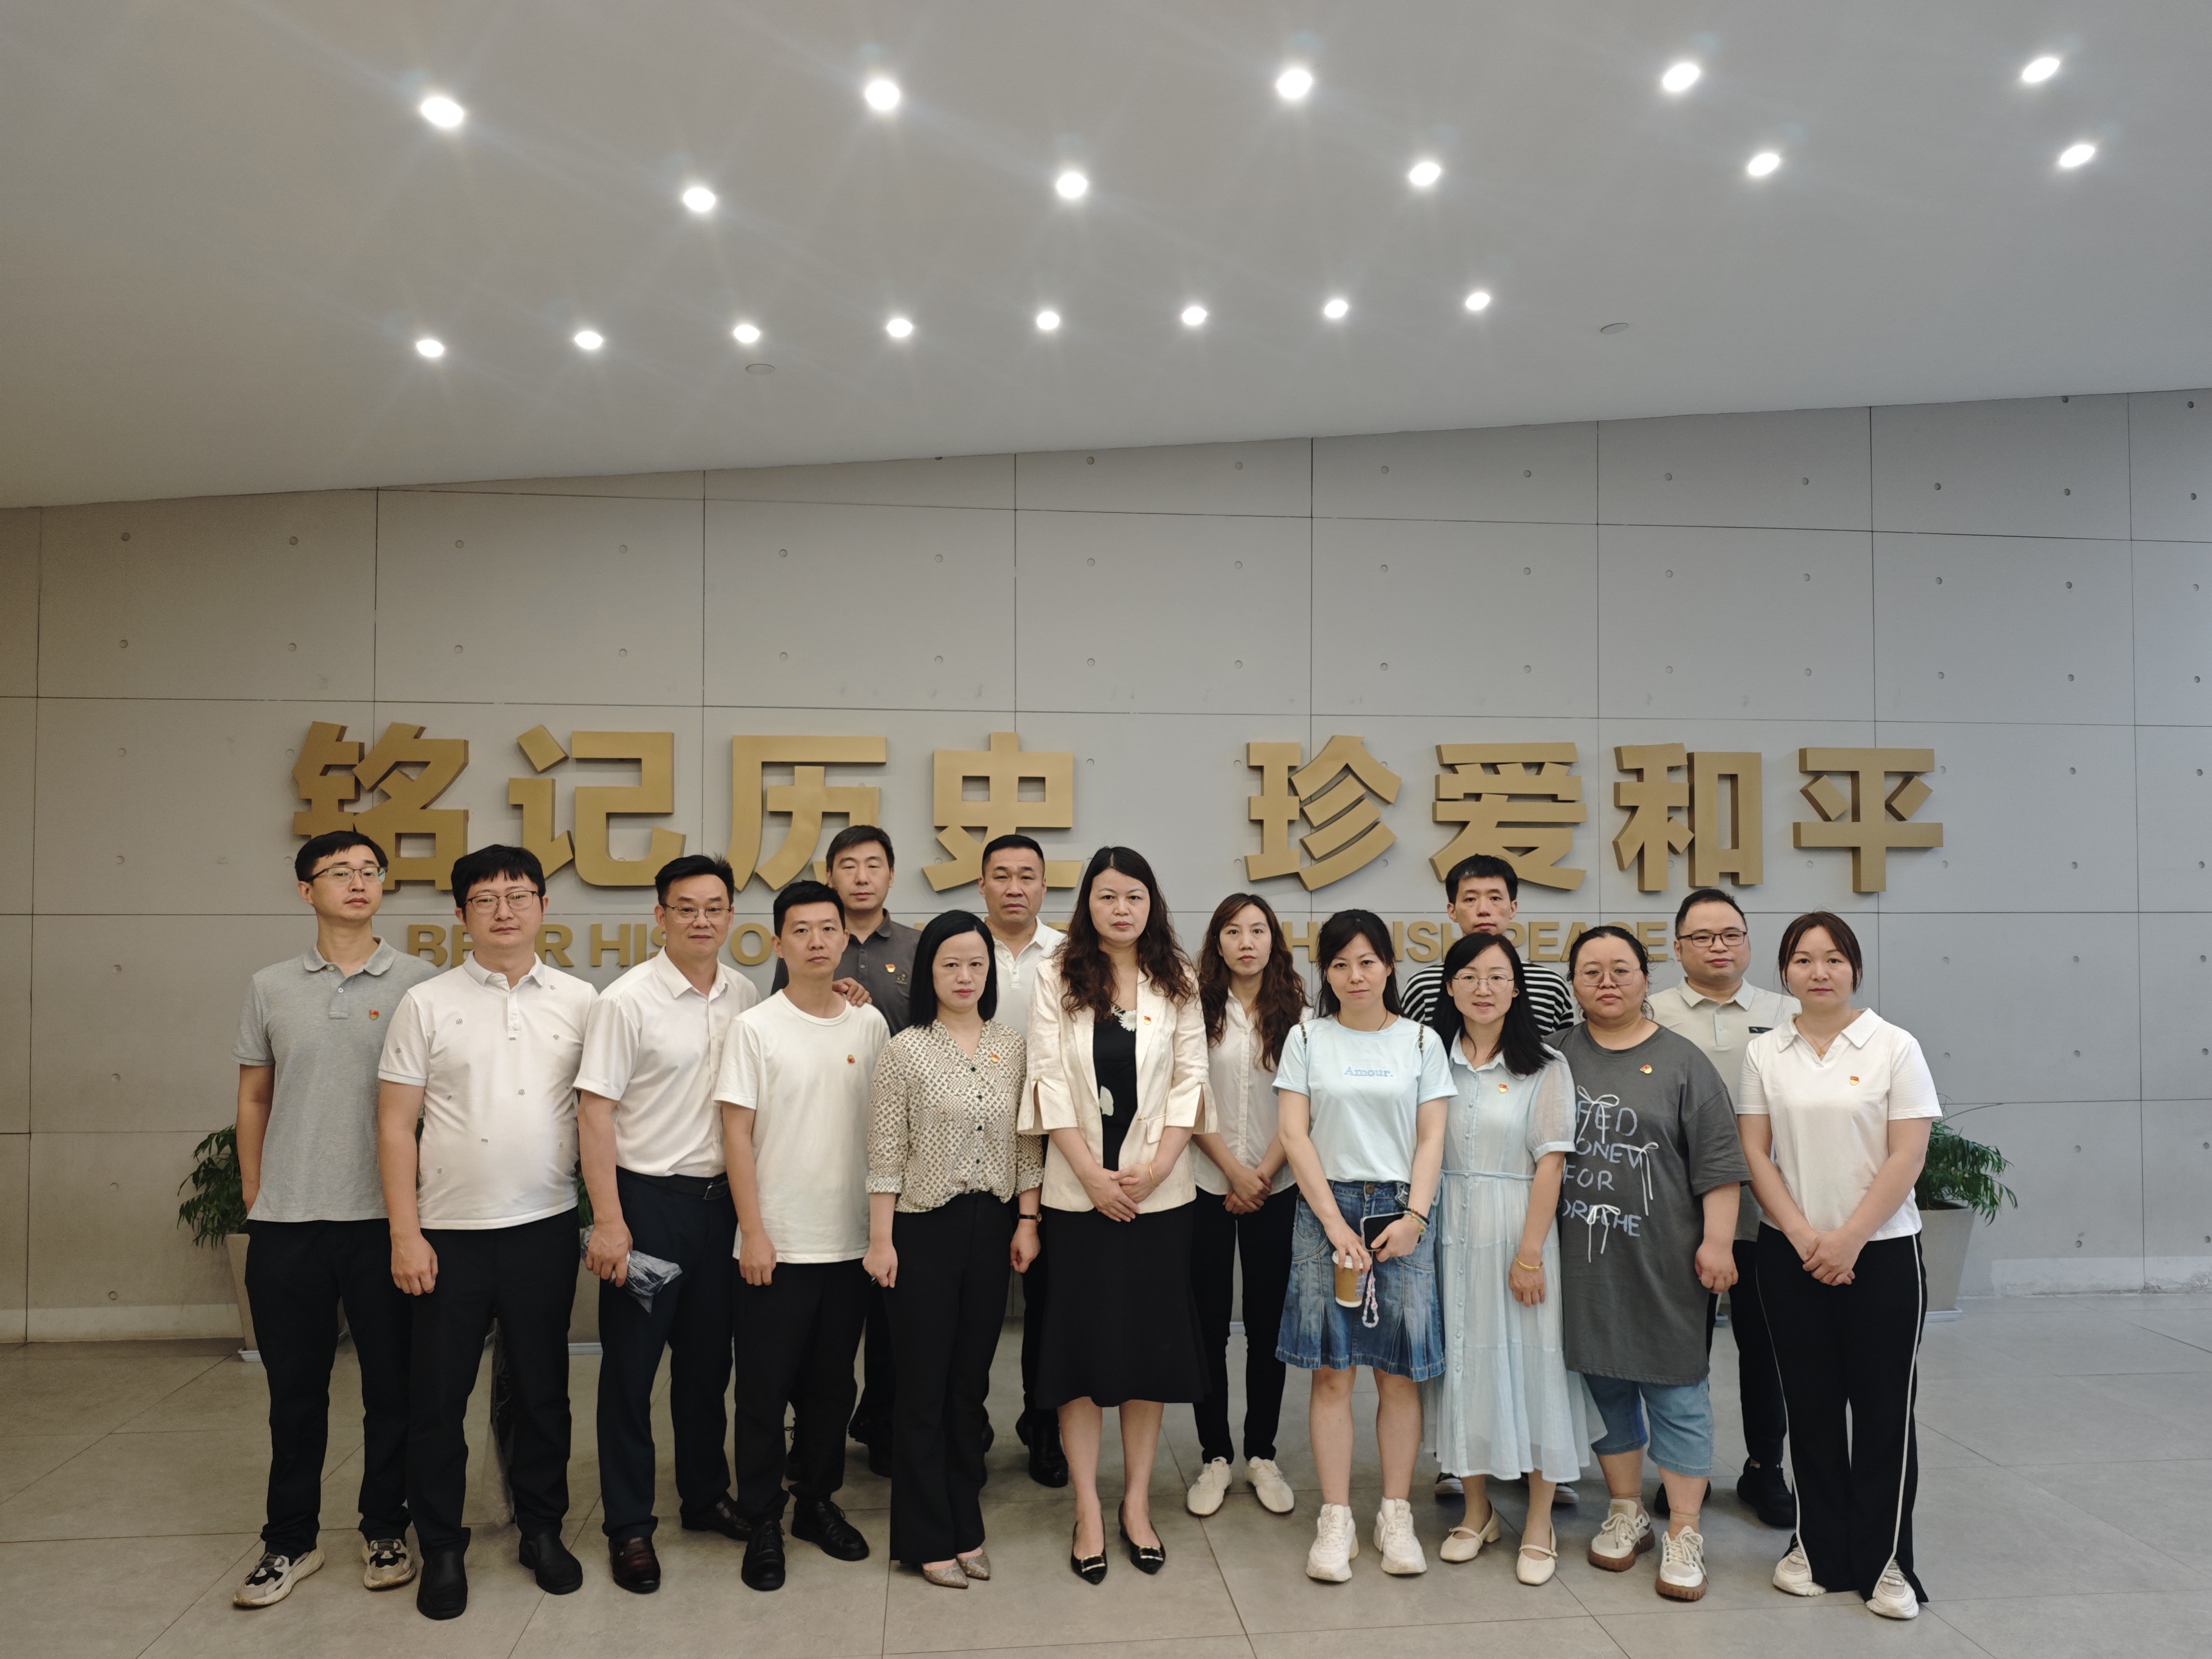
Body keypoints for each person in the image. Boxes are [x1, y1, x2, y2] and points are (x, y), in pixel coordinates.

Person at [375, 845, 597, 1621]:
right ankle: (442, 1544)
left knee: (542, 1392)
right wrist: (405, 1234)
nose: (504, 910)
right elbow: (395, 1125)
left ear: (543, 906)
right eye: (485, 898)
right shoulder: (426, 1003)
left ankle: (542, 1529)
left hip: (543, 1225)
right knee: (438, 1400)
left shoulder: (580, 1000)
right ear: (461, 914)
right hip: (448, 1234)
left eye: (518, 894)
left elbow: (600, 1116)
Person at [230, 830, 441, 1609]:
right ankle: (290, 1540)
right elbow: (254, 1095)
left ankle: (385, 1527)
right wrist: (258, 1193)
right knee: (295, 1394)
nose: (358, 882)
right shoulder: (271, 986)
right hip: (288, 1223)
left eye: (370, 871)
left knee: (393, 1390)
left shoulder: (421, 983)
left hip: (386, 1222)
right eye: (340, 871)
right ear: (305, 890)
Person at [1738, 912, 1939, 1621]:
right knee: (1811, 1407)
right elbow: (1755, 1152)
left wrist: (1850, 1238)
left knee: (1885, 1413)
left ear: (1854, 968)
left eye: (1832, 959)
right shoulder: (1766, 1052)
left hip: (1881, 1255)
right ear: (1784, 972)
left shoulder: (1894, 1046)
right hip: (1790, 1254)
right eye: (1803, 959)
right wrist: (1803, 1237)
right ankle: (1817, 1549)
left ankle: (1889, 1562)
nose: (1818, 972)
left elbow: (1907, 1153)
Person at [1020, 846, 1210, 1584]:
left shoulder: (1178, 977)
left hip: (1159, 1199)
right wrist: (1090, 1176)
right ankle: (1087, 1510)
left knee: (1145, 1356)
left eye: (1134, 895)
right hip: (1079, 1198)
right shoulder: (1056, 974)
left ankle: (1135, 1504)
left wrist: (1155, 1168)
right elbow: (1046, 1081)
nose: (1121, 908)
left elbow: (1191, 1081)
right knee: (1079, 1355)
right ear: (1087, 905)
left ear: (1151, 902)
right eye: (1107, 896)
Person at [576, 854, 760, 1592]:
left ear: (731, 916)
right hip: (647, 1206)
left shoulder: (744, 992)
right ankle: (628, 1525)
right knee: (630, 1372)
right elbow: (595, 1113)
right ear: (660, 915)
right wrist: (609, 1221)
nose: (701, 921)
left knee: (708, 1366)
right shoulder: (626, 1001)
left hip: (720, 1207)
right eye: (686, 908)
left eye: (715, 908)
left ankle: (704, 1495)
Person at [1553, 926, 1744, 1604]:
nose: (1606, 982)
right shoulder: (1553, 1057)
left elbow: (1719, 1166)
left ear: (1645, 978)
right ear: (1573, 984)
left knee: (1676, 1390)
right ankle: (1625, 1509)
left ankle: (1684, 1528)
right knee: (1604, 1384)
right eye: (1591, 971)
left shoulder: (1682, 1062)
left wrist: (1717, 1243)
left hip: (1667, 1261)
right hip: (1583, 1263)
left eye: (1621, 969)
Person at [714, 879, 888, 1592]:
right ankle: (762, 1517)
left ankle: (816, 1502)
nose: (817, 941)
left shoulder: (869, 1025)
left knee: (831, 1389)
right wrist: (754, 1232)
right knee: (762, 1392)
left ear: (846, 938)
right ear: (777, 942)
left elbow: (884, 1133)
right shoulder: (755, 1028)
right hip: (776, 1244)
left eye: (828, 929)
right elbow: (736, 1135)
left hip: (848, 1241)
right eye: (802, 930)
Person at [864, 910, 1042, 1588]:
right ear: (928, 973)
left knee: (969, 1388)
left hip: (991, 1226)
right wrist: (881, 1240)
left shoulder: (1011, 1046)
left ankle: (966, 1525)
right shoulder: (904, 1050)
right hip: (920, 1231)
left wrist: (1026, 1221)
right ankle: (925, 1538)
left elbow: (1028, 1143)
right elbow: (885, 1152)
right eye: (950, 965)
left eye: (976, 964)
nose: (965, 976)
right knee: (922, 1389)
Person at [1275, 909, 1454, 1583]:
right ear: (1325, 971)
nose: (1355, 975)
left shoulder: (1420, 1041)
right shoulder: (1306, 1037)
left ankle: (1394, 1514)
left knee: (1398, 1372)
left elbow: (1432, 1137)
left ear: (1388, 966)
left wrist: (1415, 1216)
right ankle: (1336, 1519)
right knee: (1331, 1370)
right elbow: (1294, 1135)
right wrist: (1332, 1223)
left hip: (1401, 1211)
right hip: (1328, 1208)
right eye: (1340, 964)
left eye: (1368, 962)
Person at [1419, 933, 1586, 1587]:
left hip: (1517, 1228)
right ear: (1450, 987)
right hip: (1444, 1230)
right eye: (1468, 976)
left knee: (1533, 1366)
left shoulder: (1544, 1064)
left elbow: (1552, 1162)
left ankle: (1539, 1520)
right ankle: (1478, 1510)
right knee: (1463, 1366)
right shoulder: (1430, 1059)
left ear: (1517, 988)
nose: (1482, 988)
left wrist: (1530, 1254)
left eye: (1496, 976)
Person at [1647, 888, 1799, 1530]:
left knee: (1766, 1346)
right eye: (1702, 937)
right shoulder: (1650, 1012)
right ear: (1677, 948)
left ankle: (1765, 1467)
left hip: (1767, 1208)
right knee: (1682, 1350)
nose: (1718, 947)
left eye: (1730, 935)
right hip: (1676, 1210)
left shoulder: (1787, 1012)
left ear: (1748, 943)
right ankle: (1686, 1468)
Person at [770, 824, 918, 1476]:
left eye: (873, 864)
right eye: (848, 865)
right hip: (815, 1156)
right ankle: (809, 1432)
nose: (861, 876)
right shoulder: (803, 942)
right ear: (828, 876)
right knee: (819, 1323)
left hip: (899, 1155)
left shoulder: (917, 946)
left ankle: (882, 1425)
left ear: (891, 874)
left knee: (890, 1308)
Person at [1184, 892, 1304, 1520]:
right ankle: (1214, 1455)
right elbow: (1186, 1096)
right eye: (1233, 931)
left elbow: (1304, 1102)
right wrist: (1233, 1170)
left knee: (1266, 1329)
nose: (1246, 942)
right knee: (1206, 1327)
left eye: (1257, 930)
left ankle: (1261, 1452)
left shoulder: (1299, 1014)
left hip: (1276, 1186)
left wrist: (1261, 1173)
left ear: (1273, 940)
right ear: (1217, 942)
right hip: (1204, 1182)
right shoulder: (1192, 1007)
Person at [979, 832, 1070, 1487]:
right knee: (976, 1301)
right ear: (981, 883)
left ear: (1044, 885)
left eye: (1027, 876)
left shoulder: (1069, 953)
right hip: (972, 1145)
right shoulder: (958, 945)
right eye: (1002, 875)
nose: (1015, 888)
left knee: (1051, 1301)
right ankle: (968, 1425)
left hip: (1056, 1146)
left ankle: (1043, 1425)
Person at [1398, 855, 1576, 1035]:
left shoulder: (1550, 986)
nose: (1483, 910)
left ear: (1512, 908)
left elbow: (1563, 1048)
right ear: (1452, 911)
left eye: (1495, 898)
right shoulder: (1423, 985)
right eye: (1470, 899)